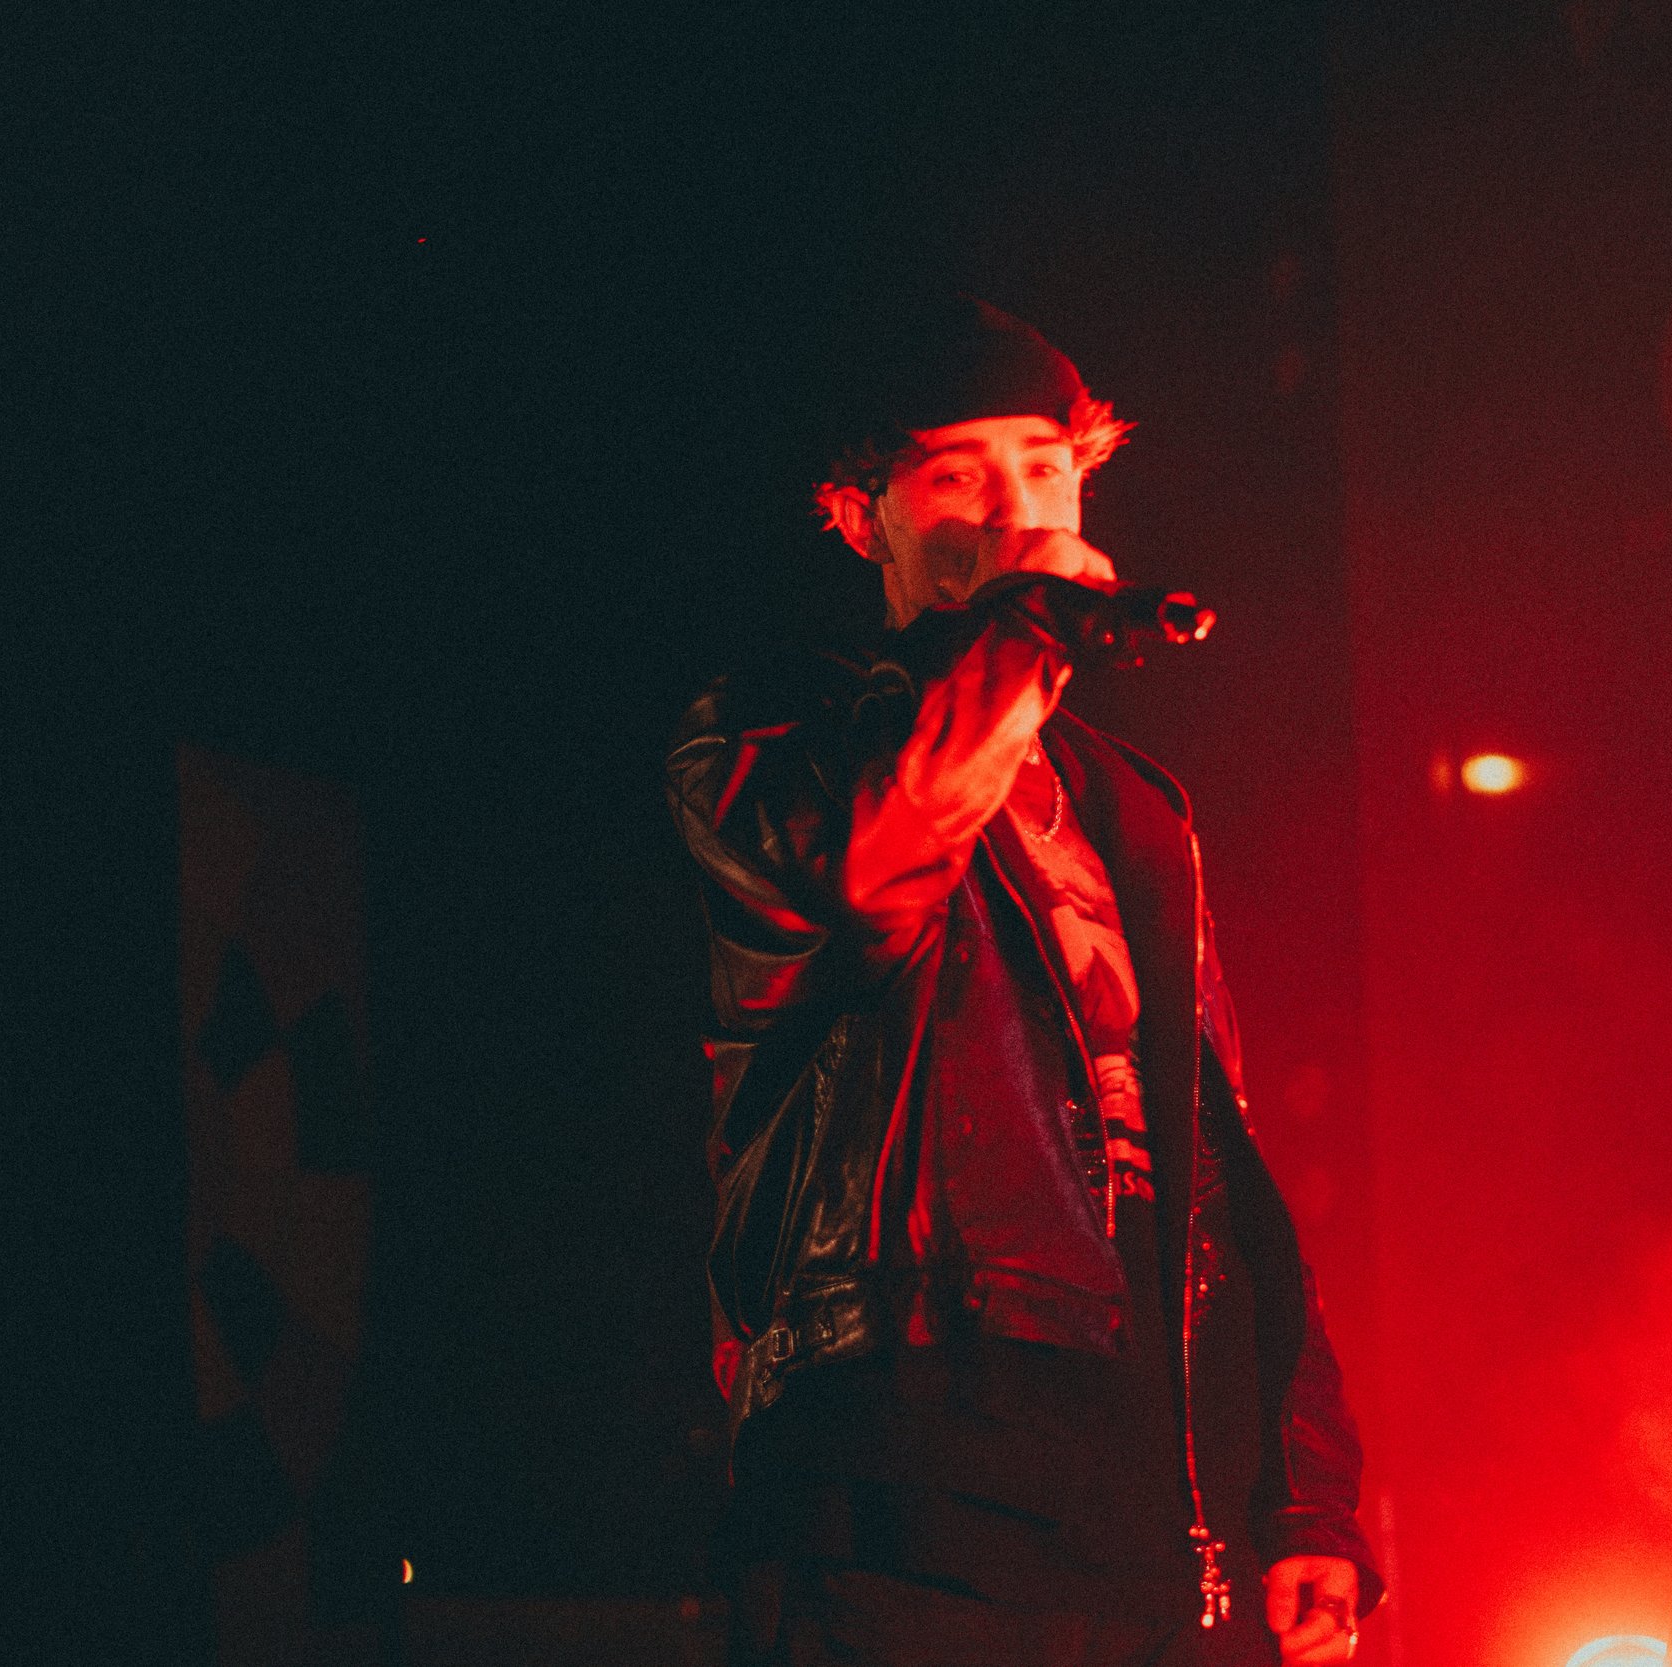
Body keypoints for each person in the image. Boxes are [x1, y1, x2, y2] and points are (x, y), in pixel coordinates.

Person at [668, 297, 1378, 1666]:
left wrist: (1304, 1491)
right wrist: (1023, 626)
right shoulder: (763, 736)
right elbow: (878, 857)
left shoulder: (1137, 807)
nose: (1013, 512)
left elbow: (1216, 1150)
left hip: (1134, 1485)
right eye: (958, 476)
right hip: (901, 1450)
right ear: (860, 509)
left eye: (1044, 470)